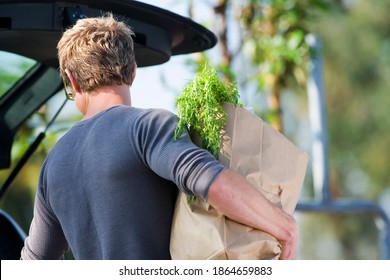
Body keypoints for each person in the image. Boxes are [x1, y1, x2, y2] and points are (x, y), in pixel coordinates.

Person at [20, 14, 297, 260]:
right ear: (133, 70)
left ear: (72, 80)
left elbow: (33, 263)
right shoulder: (145, 127)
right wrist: (284, 227)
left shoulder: (53, 164)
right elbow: (212, 182)